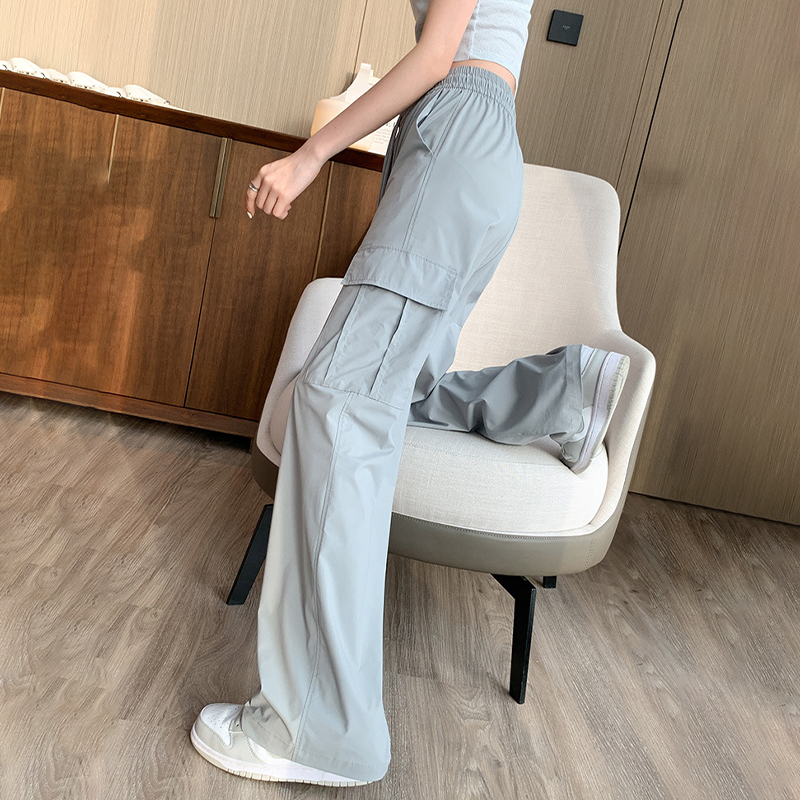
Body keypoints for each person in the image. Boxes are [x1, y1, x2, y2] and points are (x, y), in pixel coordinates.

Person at [189, 0, 630, 787]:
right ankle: (559, 395)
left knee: (337, 405)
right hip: (476, 147)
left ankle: (319, 729)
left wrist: (311, 154)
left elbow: (436, 55)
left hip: (454, 133)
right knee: (387, 388)